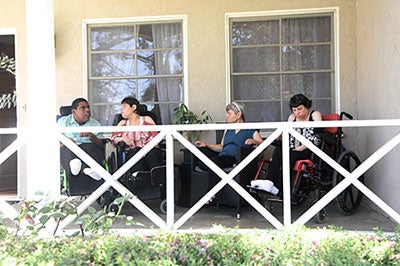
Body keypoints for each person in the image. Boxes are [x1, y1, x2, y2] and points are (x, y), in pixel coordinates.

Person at [195, 101, 263, 203]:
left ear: (238, 115)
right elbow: (221, 147)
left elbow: (262, 144)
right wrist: (207, 145)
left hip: (234, 158)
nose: (226, 116)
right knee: (201, 160)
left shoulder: (250, 129)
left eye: (229, 113)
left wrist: (254, 141)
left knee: (213, 163)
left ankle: (211, 193)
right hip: (223, 156)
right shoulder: (228, 129)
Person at [266, 93, 322, 195]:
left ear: (307, 106)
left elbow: (318, 137)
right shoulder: (292, 118)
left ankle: (280, 188)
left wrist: (302, 147)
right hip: (292, 148)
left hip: (308, 149)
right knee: (278, 150)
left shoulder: (314, 115)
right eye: (294, 110)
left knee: (290, 155)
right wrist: (281, 136)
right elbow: (287, 136)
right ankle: (269, 183)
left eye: (300, 109)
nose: (297, 113)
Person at [111, 96, 164, 173]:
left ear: (133, 107)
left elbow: (155, 137)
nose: (121, 109)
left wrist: (143, 149)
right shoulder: (122, 123)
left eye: (124, 106)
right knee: (134, 152)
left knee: (152, 153)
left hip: (149, 151)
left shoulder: (146, 119)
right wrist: (122, 139)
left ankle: (157, 181)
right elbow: (113, 139)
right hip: (131, 153)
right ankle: (136, 180)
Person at [57, 97, 105, 180]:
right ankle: (74, 169)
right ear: (73, 111)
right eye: (83, 108)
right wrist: (66, 141)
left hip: (88, 150)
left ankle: (95, 171)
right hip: (70, 150)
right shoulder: (63, 122)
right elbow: (54, 138)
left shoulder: (95, 123)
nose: (87, 110)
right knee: (68, 148)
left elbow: (101, 143)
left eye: (88, 107)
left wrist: (92, 136)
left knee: (91, 147)